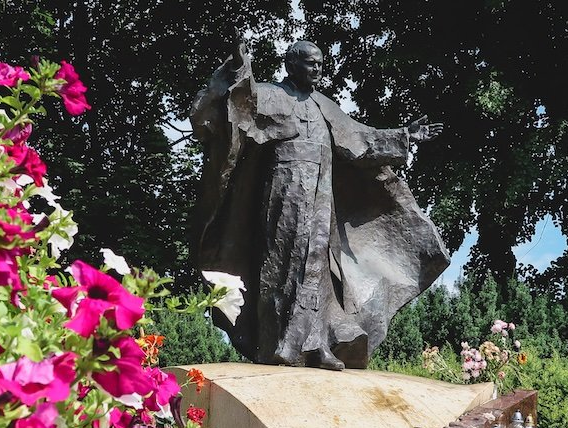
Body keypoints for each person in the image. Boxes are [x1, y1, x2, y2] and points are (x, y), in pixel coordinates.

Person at [190, 40, 449, 370]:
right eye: (312, 64)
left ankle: (317, 344)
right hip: (282, 191)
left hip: (318, 194)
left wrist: (405, 135)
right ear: (292, 65)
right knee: (281, 265)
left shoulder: (324, 105)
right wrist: (240, 68)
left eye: (321, 64)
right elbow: (238, 107)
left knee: (316, 268)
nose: (319, 70)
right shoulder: (271, 94)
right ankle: (278, 344)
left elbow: (360, 138)